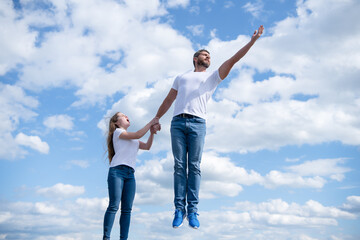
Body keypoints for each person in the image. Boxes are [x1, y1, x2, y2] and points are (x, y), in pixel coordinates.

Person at [155, 25, 264, 229]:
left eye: (210, 56)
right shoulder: (181, 77)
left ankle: (193, 211)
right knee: (179, 166)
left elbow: (233, 60)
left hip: (198, 123)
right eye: (205, 55)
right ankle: (179, 209)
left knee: (194, 166)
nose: (208, 57)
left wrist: (252, 42)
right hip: (177, 122)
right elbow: (169, 99)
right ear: (195, 58)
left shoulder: (213, 76)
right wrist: (156, 118)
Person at [102, 112, 160, 240]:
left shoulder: (132, 139)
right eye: (122, 115)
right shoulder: (118, 132)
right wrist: (151, 122)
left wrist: (151, 133)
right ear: (116, 122)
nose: (126, 116)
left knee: (127, 210)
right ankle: (106, 238)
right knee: (114, 206)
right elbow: (138, 134)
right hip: (117, 171)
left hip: (130, 175)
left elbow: (147, 146)